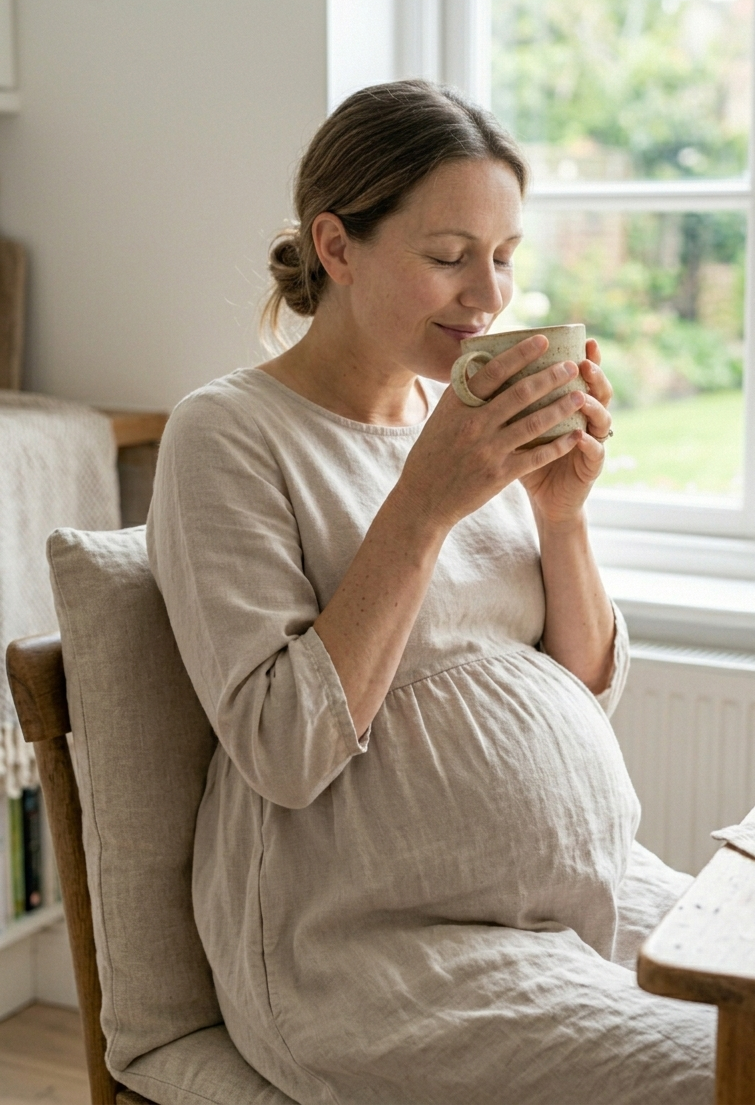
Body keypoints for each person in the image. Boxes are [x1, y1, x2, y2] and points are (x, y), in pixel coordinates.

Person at [147, 79, 716, 1105]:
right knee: (738, 1072)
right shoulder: (228, 434)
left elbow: (582, 693)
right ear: (337, 246)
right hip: (369, 951)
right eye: (449, 257)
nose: (487, 297)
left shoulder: (460, 420)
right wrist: (421, 505)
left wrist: (561, 516)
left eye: (503, 257)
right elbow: (283, 748)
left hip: (577, 900)